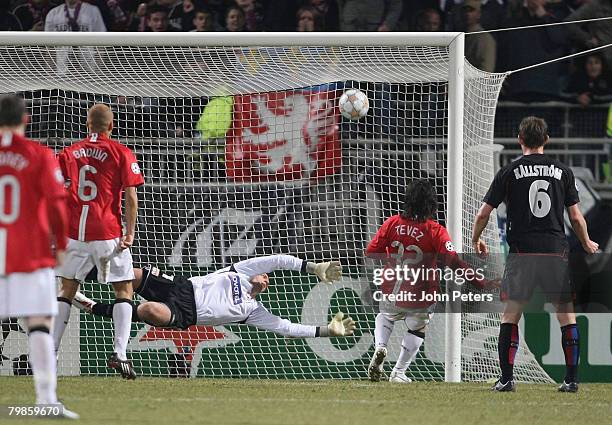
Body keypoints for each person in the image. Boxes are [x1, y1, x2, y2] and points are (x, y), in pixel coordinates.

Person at [472, 116, 599, 392]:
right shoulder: (563, 171)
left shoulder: (509, 171)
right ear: (547, 140)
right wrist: (587, 242)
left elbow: (484, 212)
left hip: (522, 253)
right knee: (566, 315)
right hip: (555, 252)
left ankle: (506, 379)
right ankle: (571, 380)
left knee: (511, 315)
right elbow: (575, 218)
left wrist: (476, 238)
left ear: (520, 140)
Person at [365, 179, 496, 383]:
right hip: (421, 296)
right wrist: (481, 282)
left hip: (392, 288)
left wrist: (393, 258)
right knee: (417, 329)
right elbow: (453, 261)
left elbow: (371, 251)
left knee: (386, 316)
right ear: (432, 204)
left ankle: (381, 346)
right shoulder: (435, 231)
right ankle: (398, 372)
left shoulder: (392, 223)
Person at [0, 95, 78, 419]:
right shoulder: (39, 155)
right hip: (27, 253)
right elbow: (59, 204)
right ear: (26, 120)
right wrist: (60, 244)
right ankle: (46, 401)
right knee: (39, 325)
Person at [54, 104, 144, 380]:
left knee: (67, 289)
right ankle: (119, 353)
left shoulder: (69, 152)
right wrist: (129, 232)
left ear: (87, 125)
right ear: (111, 126)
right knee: (124, 289)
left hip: (74, 233)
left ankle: (51, 353)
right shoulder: (121, 152)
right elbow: (130, 197)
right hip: (107, 232)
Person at [71, 256, 356, 340]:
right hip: (179, 288)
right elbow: (277, 260)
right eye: (265, 276)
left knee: (148, 311)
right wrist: (312, 268)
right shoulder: (240, 271)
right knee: (128, 274)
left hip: (186, 315)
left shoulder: (252, 311)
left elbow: (287, 328)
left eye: (267, 282)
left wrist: (326, 331)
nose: (265, 279)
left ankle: (94, 306)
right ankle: (79, 272)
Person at [461, 0, 497, 72]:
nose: (467, 14)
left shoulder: (485, 39)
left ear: (479, 14)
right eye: (465, 10)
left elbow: (486, 72)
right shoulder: (460, 36)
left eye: (471, 10)